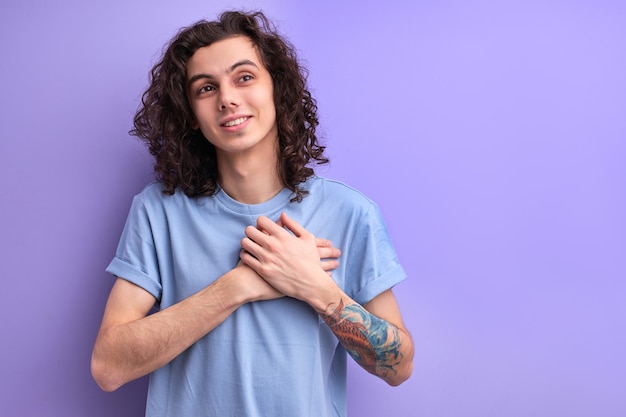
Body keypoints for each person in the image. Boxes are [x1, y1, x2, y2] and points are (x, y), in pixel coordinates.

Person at [91, 10, 414, 417]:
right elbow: (108, 368)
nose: (227, 98)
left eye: (244, 77)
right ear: (191, 115)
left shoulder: (350, 212)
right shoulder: (158, 211)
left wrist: (317, 290)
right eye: (206, 88)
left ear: (276, 88)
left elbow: (399, 367)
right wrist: (237, 287)